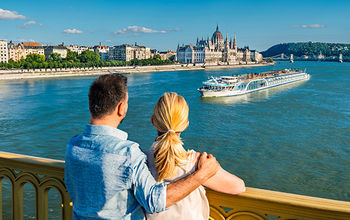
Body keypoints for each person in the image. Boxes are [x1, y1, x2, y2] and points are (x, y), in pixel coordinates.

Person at [64, 74, 220, 219]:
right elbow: (154, 202)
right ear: (121, 108)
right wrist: (201, 175)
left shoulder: (72, 146)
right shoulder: (128, 153)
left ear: (91, 104)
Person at [146, 92, 246, 220]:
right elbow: (239, 187)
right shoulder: (197, 163)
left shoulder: (139, 160)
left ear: (153, 121)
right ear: (186, 124)